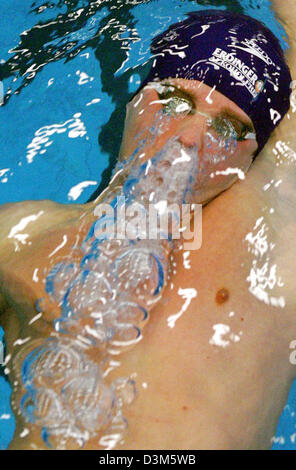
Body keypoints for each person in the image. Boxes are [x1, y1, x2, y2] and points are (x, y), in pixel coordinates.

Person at [1, 1, 296, 449]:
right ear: (135, 100)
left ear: (250, 158)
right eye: (176, 100)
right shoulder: (19, 236)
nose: (191, 138)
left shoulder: (272, 239)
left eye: (230, 128)